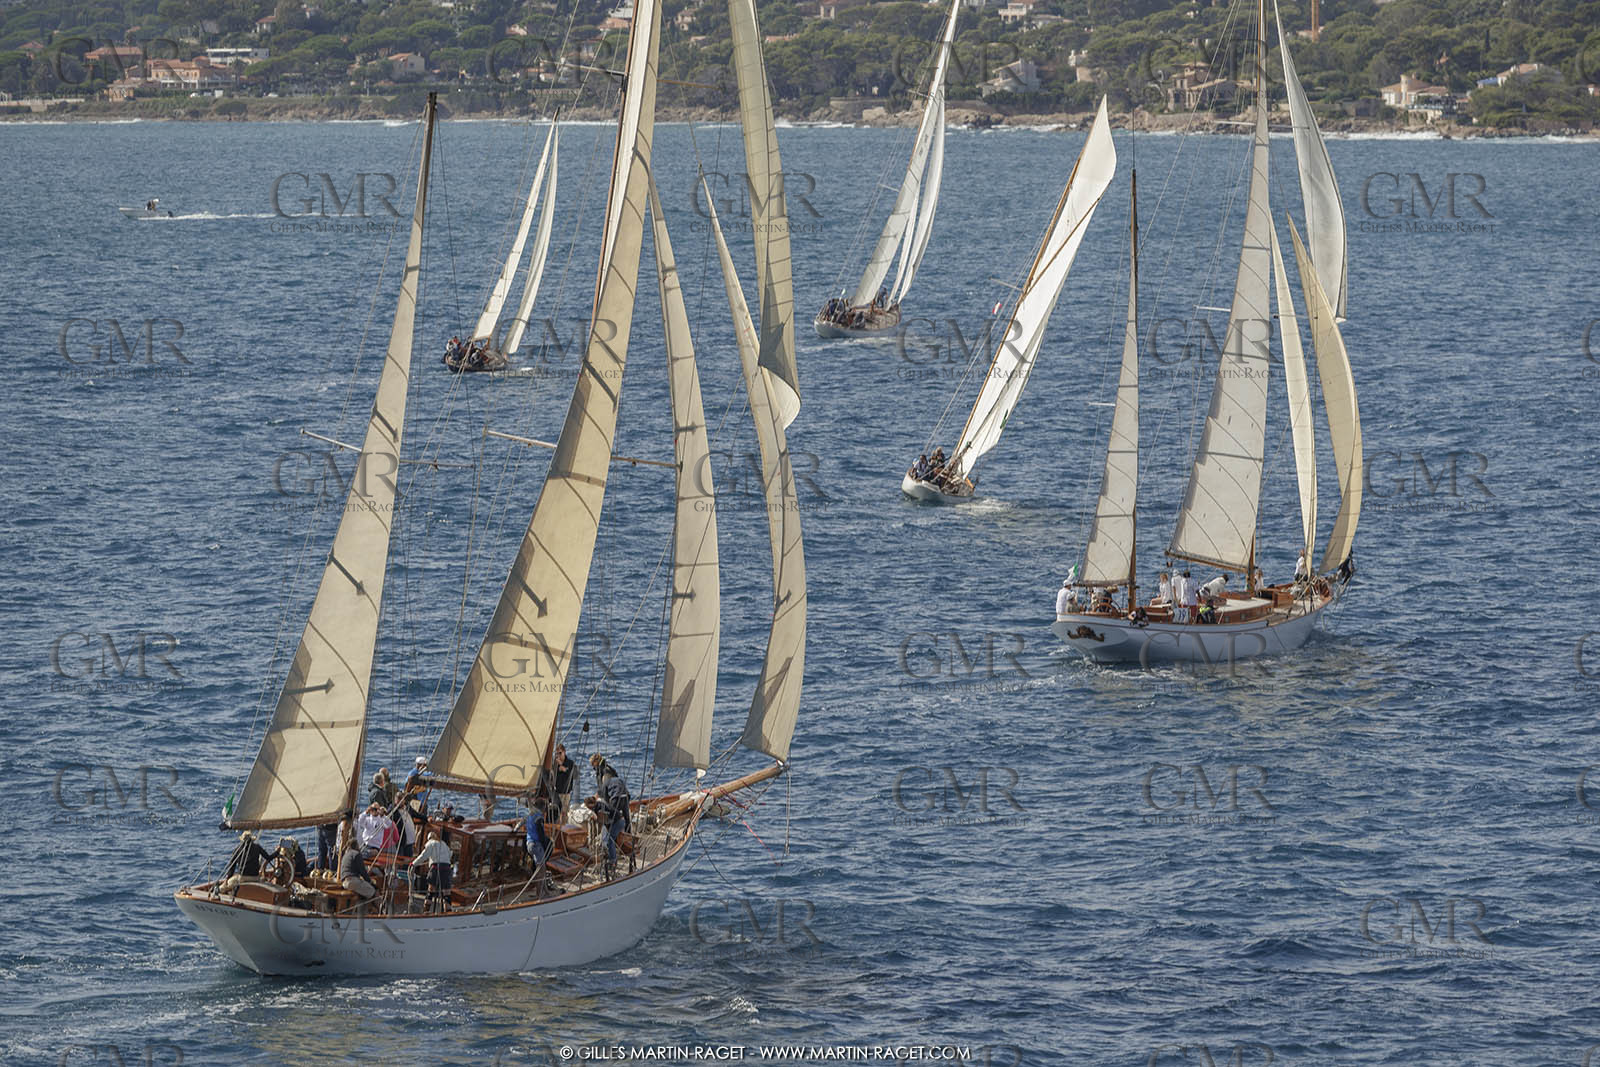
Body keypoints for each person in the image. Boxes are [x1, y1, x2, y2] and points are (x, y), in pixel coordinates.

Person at [410, 829, 453, 911]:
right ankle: (448, 912)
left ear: (429, 838)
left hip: (436, 868)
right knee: (446, 893)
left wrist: (413, 864)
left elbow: (424, 855)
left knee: (431, 890)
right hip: (447, 868)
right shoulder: (443, 843)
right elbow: (450, 853)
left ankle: (426, 911)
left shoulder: (430, 843)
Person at [552, 744, 577, 820]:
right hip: (556, 792)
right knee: (555, 813)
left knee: (564, 813)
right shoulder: (554, 764)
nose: (558, 755)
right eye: (557, 754)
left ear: (564, 752)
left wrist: (562, 766)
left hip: (565, 793)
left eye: (560, 753)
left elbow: (573, 774)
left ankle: (564, 827)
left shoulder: (570, 763)